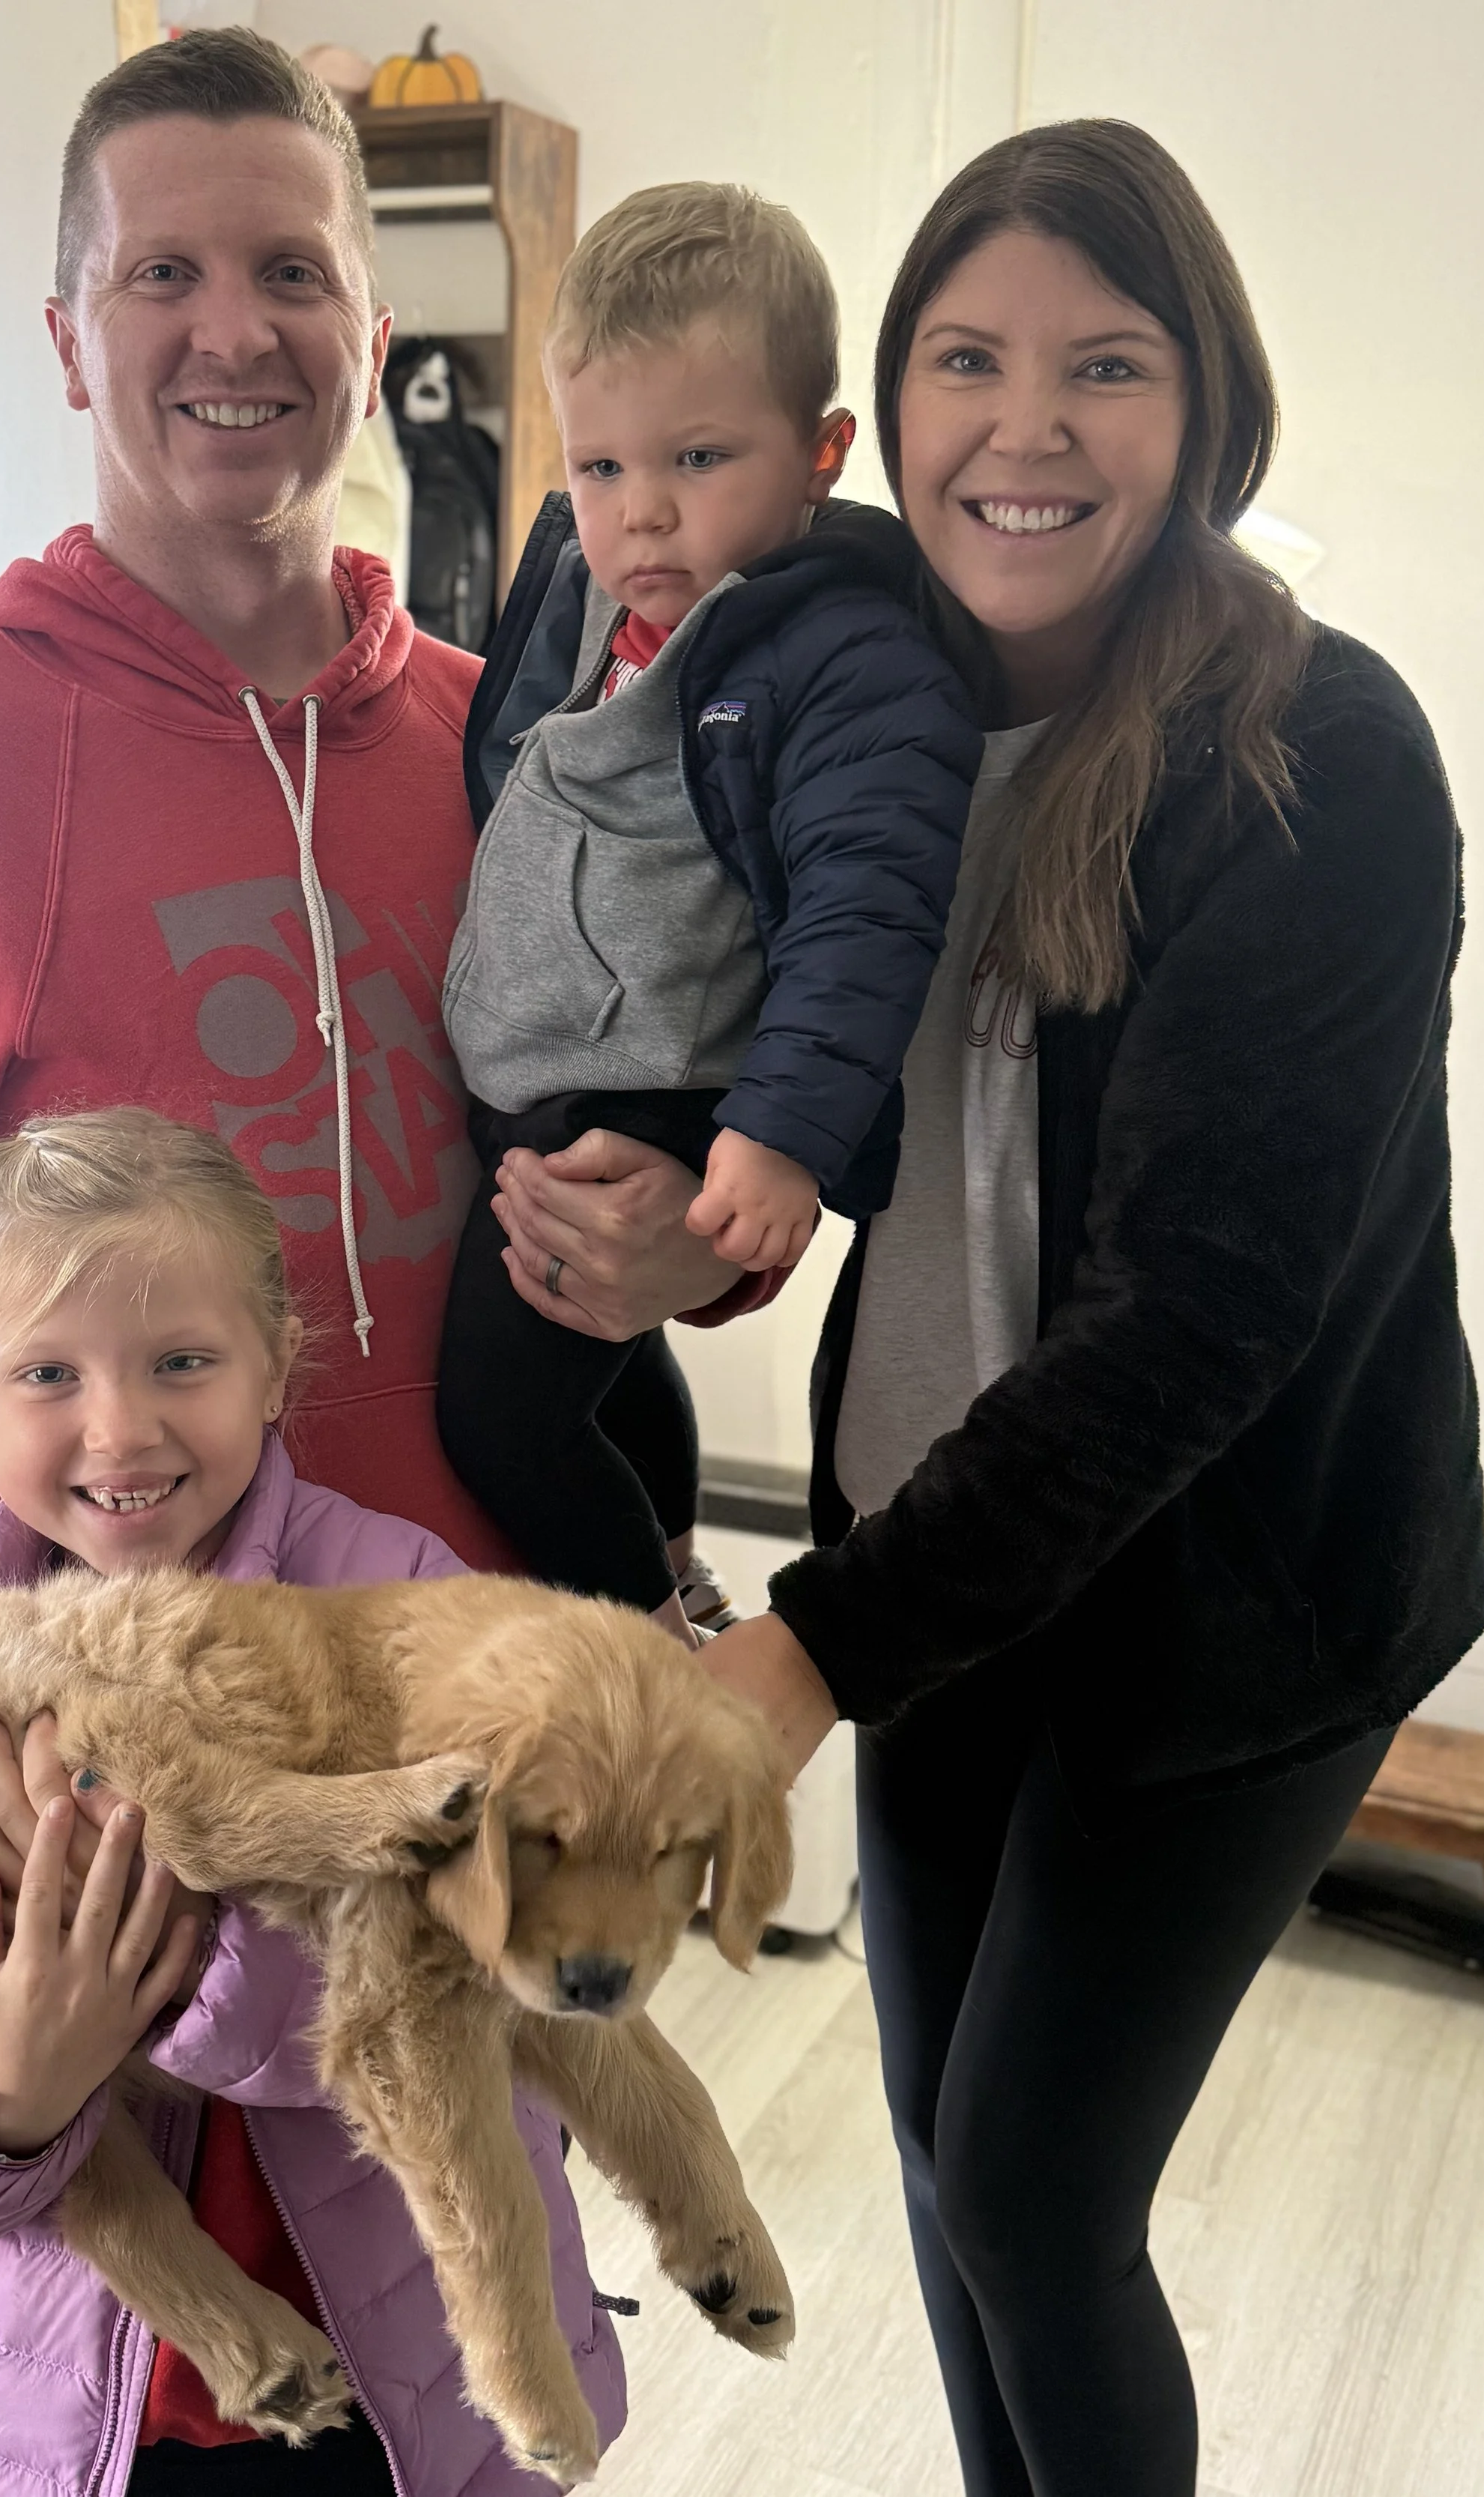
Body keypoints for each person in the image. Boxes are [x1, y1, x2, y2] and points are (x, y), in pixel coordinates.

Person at [0, 29, 745, 1849]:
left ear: (374, 336)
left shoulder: (525, 755)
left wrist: (695, 1259)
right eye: (158, 273)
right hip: (133, 1771)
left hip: (509, 1728)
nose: (233, 333)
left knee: (491, 2148)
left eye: (291, 273)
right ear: (64, 336)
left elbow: (681, 1134)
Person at [691, 120, 1484, 2497]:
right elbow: (852, 1112)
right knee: (947, 2177)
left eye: (1100, 365)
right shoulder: (868, 706)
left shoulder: (1313, 755)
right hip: (945, 1558)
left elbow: (1191, 1319)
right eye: (965, 359)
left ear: (1202, 403)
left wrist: (802, 1648)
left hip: (1227, 1610)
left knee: (1039, 2196)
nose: (1022, 428)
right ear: (888, 411)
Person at [0, 1107, 624, 2496]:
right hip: (76, 2430)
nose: (119, 1429)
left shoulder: (409, 1602)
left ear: (273, 1366)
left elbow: (504, 1974)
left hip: (411, 2391)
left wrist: (163, 1976)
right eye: (49, 1373)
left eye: (181, 1361)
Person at [435, 183, 979, 1638]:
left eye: (697, 457)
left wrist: (782, 1131)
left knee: (498, 1411)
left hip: (652, 1083)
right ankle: (675, 1558)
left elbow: (865, 913)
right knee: (611, 1371)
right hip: (549, 1071)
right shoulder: (580, 596)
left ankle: (644, 1643)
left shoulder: (840, 658)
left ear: (817, 457)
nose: (642, 514)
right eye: (600, 467)